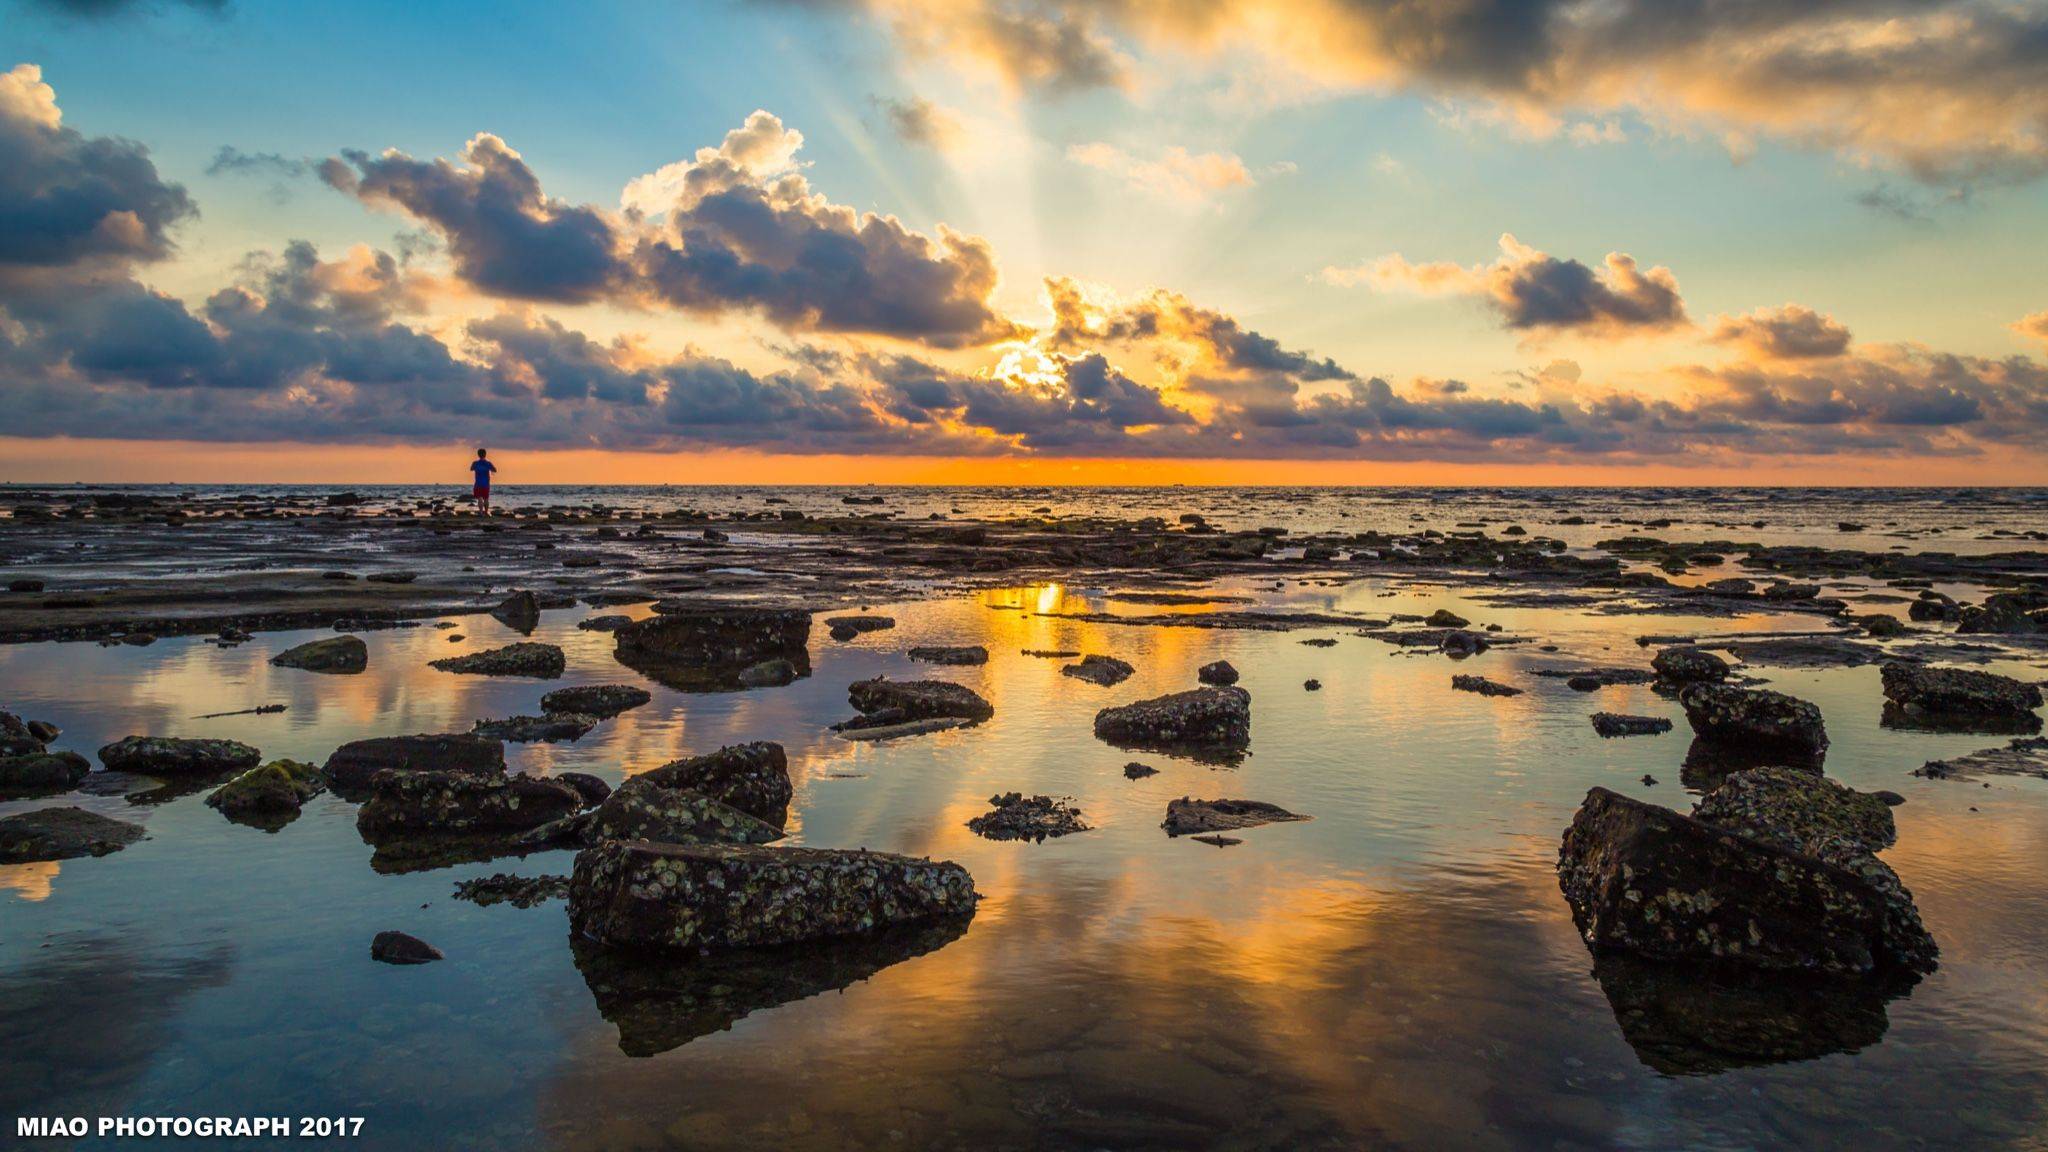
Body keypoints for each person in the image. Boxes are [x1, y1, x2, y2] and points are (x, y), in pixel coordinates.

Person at [469, 448, 496, 515]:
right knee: (486, 498)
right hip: (486, 484)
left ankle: (481, 512)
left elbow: (471, 469)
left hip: (478, 484)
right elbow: (495, 470)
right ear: (485, 454)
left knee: (480, 498)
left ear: (478, 455)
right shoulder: (488, 463)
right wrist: (490, 469)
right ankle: (486, 512)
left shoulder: (475, 463)